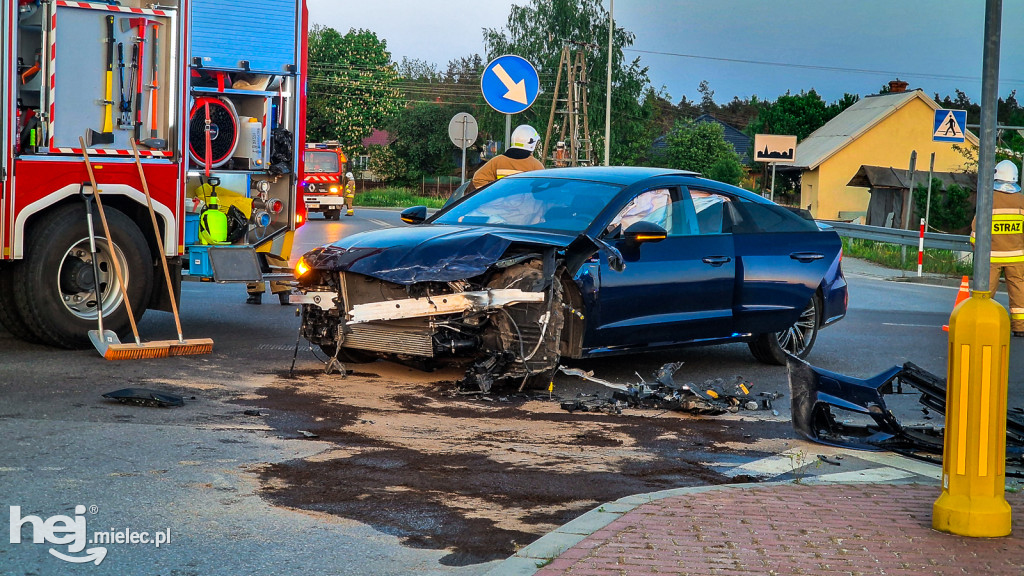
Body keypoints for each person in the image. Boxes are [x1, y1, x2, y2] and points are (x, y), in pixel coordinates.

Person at [971, 159, 1024, 337]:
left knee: (985, 292)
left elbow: (976, 233)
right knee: (1018, 292)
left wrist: (977, 252)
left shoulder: (989, 200)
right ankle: (1020, 327)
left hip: (990, 257)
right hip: (1017, 257)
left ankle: (983, 324)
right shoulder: (1021, 201)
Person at [470, 124, 545, 191]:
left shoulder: (497, 162)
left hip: (501, 205)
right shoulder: (536, 166)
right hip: (525, 206)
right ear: (532, 144)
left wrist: (492, 195)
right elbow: (542, 189)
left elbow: (478, 179)